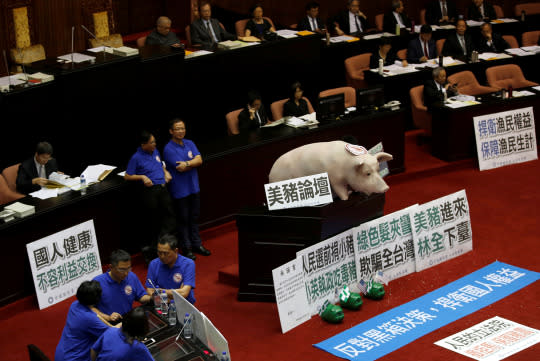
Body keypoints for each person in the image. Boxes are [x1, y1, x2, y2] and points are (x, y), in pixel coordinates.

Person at [125, 130, 176, 261]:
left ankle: (159, 246)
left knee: (170, 218)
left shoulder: (156, 151)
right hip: (150, 192)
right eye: (151, 142)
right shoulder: (136, 157)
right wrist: (142, 176)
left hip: (163, 188)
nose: (154, 144)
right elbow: (127, 175)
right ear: (144, 144)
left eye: (154, 141)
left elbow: (160, 164)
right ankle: (153, 250)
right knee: (155, 222)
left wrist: (165, 172)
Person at [163, 119, 210, 260]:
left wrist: (189, 163)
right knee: (183, 219)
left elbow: (199, 160)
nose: (181, 131)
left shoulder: (190, 143)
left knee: (194, 218)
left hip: (193, 187)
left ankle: (197, 244)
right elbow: (180, 168)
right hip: (180, 190)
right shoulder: (168, 148)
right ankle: (186, 248)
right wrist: (192, 163)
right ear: (171, 131)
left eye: (182, 128)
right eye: (177, 129)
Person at [55, 281, 117, 361]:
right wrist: (121, 324)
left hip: (61, 354)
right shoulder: (89, 319)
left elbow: (95, 314)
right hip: (74, 358)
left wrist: (108, 319)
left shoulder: (74, 305)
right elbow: (113, 334)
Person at [93, 250, 151, 322]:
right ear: (111, 267)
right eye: (122, 269)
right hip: (107, 325)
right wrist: (108, 317)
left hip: (128, 322)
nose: (126, 273)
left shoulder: (131, 276)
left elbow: (141, 296)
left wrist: (153, 298)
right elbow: (90, 308)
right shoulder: (98, 282)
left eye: (129, 268)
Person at [145, 234, 196, 304]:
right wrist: (170, 298)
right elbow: (150, 291)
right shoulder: (153, 264)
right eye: (159, 253)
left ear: (176, 251)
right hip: (162, 304)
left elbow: (184, 293)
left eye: (166, 253)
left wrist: (159, 291)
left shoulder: (188, 264)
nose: (162, 256)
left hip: (184, 305)